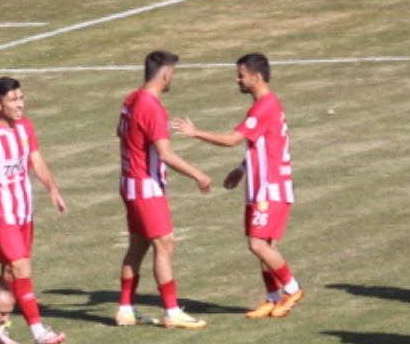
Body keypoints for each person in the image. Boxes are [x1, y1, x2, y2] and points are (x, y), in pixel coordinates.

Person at [172, 53, 302, 318]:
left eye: (241, 75)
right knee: (265, 245)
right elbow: (264, 145)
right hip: (259, 186)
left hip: (270, 187)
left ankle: (293, 289)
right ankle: (273, 297)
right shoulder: (265, 105)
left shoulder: (264, 106)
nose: (237, 79)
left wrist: (195, 132)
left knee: (257, 244)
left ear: (256, 77)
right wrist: (242, 169)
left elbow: (233, 139)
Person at [0, 77, 68, 344]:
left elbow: (36, 160)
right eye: (13, 100)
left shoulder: (26, 127)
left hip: (24, 212)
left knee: (9, 272)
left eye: (21, 98)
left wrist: (52, 189)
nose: (20, 104)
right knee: (22, 267)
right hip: (2, 214)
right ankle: (38, 331)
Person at [115, 50, 214, 329]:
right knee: (165, 243)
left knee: (138, 245)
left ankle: (125, 309)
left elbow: (120, 133)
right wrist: (198, 174)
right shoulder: (152, 108)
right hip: (146, 186)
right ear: (166, 74)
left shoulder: (131, 99)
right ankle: (172, 311)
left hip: (129, 183)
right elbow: (166, 153)